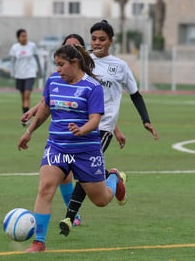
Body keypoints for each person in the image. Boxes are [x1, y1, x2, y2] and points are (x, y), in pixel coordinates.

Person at [22, 21, 159, 236]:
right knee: (57, 181)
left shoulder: (118, 66)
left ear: (111, 41)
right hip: (68, 134)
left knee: (92, 188)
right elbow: (56, 99)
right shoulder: (81, 65)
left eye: (101, 39)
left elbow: (123, 98)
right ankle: (57, 227)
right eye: (94, 38)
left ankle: (76, 208)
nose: (97, 43)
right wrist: (32, 115)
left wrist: (141, 121)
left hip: (100, 128)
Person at [17, 44, 127, 253]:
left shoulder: (92, 87)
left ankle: (113, 177)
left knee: (101, 200)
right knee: (46, 187)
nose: (58, 69)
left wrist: (81, 129)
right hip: (57, 147)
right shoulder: (53, 81)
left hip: (86, 151)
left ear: (74, 63)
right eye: (56, 65)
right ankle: (39, 242)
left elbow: (96, 120)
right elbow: (45, 109)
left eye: (61, 64)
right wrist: (29, 132)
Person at [9, 29, 42, 124]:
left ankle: (26, 119)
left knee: (27, 95)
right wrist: (12, 73)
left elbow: (37, 58)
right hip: (19, 75)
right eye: (22, 36)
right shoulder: (15, 48)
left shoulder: (32, 46)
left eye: (25, 36)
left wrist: (39, 70)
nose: (24, 38)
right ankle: (25, 114)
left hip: (30, 74)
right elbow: (12, 62)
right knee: (23, 97)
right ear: (18, 38)